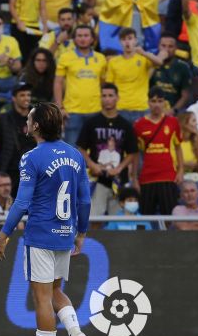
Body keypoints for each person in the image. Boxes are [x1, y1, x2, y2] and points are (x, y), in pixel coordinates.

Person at [0, 101, 90, 336]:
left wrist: (3, 235)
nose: (27, 120)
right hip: (65, 232)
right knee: (56, 291)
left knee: (42, 296)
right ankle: (76, 333)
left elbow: (21, 203)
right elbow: (84, 200)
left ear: (36, 125)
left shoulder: (31, 157)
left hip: (41, 233)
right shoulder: (76, 155)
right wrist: (81, 233)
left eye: (30, 118)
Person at [75, 83, 139, 218]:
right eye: (104, 96)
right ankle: (92, 241)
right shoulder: (91, 122)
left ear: (117, 98)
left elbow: (132, 152)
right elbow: (80, 148)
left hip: (118, 181)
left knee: (119, 221)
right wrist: (92, 165)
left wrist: (120, 168)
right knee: (92, 219)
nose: (107, 99)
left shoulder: (125, 124)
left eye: (110, 95)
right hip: (96, 179)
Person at [134, 87, 183, 215]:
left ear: (165, 102)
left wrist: (181, 171)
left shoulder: (173, 122)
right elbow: (135, 154)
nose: (157, 104)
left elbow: (178, 147)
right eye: (153, 101)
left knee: (169, 217)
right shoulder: (139, 125)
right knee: (146, 218)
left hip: (168, 175)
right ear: (148, 102)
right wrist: (133, 177)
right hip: (147, 177)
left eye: (160, 101)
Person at [54, 26, 107, 144]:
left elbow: (103, 84)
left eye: (86, 35)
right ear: (74, 39)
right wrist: (60, 107)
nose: (83, 39)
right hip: (72, 112)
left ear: (92, 39)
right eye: (79, 36)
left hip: (96, 111)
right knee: (72, 151)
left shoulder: (101, 59)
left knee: (96, 150)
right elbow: (57, 83)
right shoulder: (65, 57)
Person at [0, 83, 37, 196]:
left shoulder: (39, 118)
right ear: (13, 98)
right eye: (22, 95)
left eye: (28, 95)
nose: (26, 98)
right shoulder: (4, 119)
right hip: (10, 171)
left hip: (34, 170)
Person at [150, 34, 192, 111]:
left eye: (170, 46)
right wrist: (156, 62)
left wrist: (173, 110)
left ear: (176, 48)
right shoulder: (150, 63)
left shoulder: (183, 67)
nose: (166, 49)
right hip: (152, 108)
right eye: (163, 46)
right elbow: (143, 85)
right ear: (158, 46)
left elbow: (185, 95)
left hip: (174, 109)